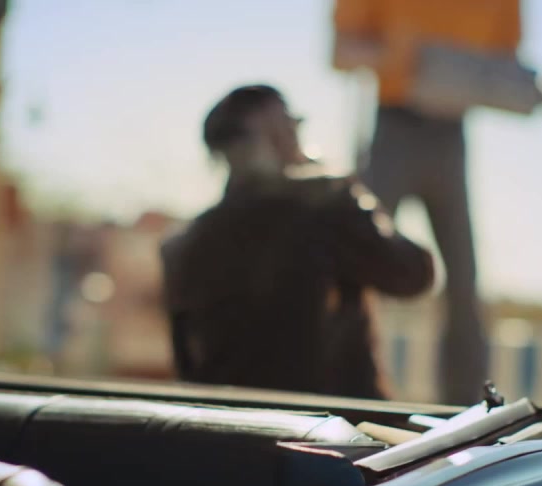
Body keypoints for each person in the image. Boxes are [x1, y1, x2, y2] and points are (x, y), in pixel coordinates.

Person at [332, 0, 542, 405]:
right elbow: (340, 52)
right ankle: (336, 385)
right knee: (355, 260)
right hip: (394, 124)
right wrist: (398, 58)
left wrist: (538, 93)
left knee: (463, 276)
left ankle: (464, 406)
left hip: (450, 135)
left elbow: (501, 69)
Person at [161, 85, 434, 400]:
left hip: (232, 424)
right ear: (278, 138)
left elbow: (188, 370)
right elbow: (415, 274)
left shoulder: (183, 245)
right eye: (292, 127)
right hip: (334, 422)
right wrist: (352, 192)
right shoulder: (327, 206)